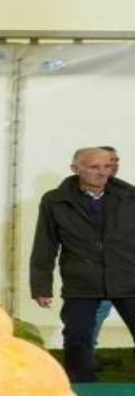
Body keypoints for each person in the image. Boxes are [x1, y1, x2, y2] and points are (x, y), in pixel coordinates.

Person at [30, 147, 135, 383]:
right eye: (94, 167)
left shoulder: (130, 197)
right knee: (77, 336)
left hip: (128, 278)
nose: (103, 173)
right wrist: (41, 286)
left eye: (107, 166)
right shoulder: (54, 201)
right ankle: (82, 387)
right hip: (81, 281)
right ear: (75, 169)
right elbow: (45, 244)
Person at [92, 146, 119, 352]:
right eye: (110, 161)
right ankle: (87, 356)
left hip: (125, 266)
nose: (113, 165)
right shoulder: (84, 193)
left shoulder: (125, 193)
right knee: (96, 312)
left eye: (115, 161)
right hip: (98, 270)